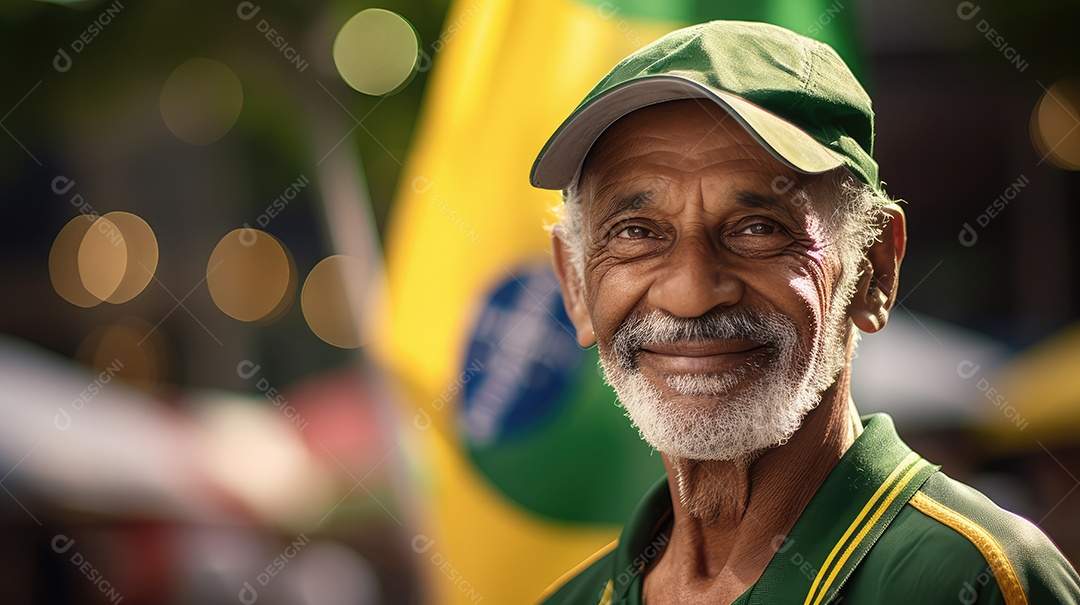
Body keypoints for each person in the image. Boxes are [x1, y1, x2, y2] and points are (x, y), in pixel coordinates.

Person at [528, 20, 1080, 605]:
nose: (690, 293)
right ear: (576, 282)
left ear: (874, 270)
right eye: (637, 232)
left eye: (758, 229)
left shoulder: (967, 581)